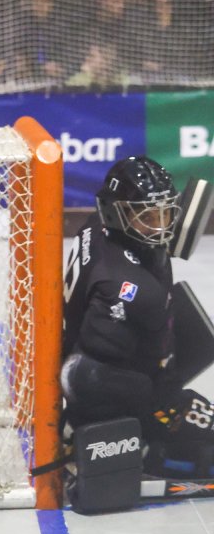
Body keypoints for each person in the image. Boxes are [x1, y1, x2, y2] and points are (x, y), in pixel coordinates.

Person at [61, 156, 212, 478]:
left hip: (96, 351)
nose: (160, 226)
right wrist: (167, 408)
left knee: (200, 336)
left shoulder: (95, 226)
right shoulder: (133, 291)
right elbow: (92, 374)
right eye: (147, 217)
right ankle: (149, 448)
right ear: (117, 213)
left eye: (165, 213)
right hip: (103, 388)